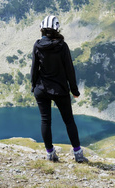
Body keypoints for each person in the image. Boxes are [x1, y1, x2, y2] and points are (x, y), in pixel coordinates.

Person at [31, 15, 88, 163]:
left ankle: (50, 154)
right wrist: (74, 91)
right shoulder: (62, 46)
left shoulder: (37, 45)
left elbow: (34, 69)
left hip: (42, 88)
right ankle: (78, 154)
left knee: (45, 121)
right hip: (60, 89)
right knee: (69, 121)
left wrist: (33, 86)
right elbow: (70, 70)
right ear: (57, 30)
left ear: (42, 30)